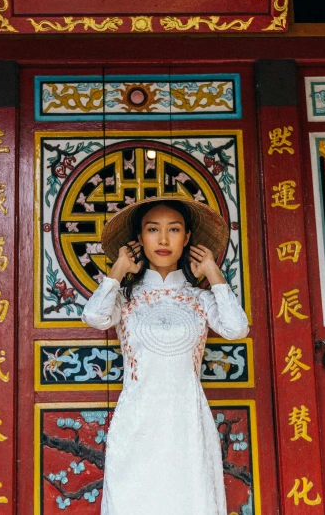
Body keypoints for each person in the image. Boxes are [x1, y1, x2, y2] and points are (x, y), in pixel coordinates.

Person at [81, 196, 249, 515]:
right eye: (152, 229)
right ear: (138, 239)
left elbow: (236, 328)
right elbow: (95, 317)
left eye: (173, 230)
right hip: (137, 422)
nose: (162, 239)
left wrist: (214, 274)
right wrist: (118, 270)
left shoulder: (199, 299)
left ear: (186, 239)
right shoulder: (126, 299)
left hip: (187, 422)